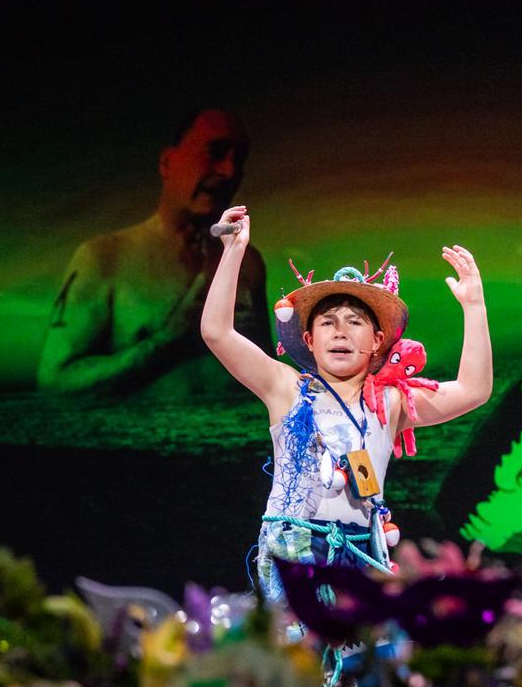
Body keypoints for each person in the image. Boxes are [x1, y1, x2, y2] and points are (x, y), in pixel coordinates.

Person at [200, 205, 492, 601]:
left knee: (362, 659)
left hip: (363, 553)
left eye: (354, 322)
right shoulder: (285, 387)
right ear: (308, 340)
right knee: (299, 660)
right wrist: (234, 251)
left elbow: (474, 389)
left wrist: (474, 307)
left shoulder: (390, 402)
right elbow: (217, 332)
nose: (340, 332)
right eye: (327, 322)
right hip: (295, 549)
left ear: (376, 341)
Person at [37, 109, 271, 396]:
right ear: (167, 163)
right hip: (137, 439)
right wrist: (168, 342)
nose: (229, 172)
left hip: (236, 439)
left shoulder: (247, 264)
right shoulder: (103, 259)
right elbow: (55, 382)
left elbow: (267, 379)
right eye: (215, 152)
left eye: (239, 160)